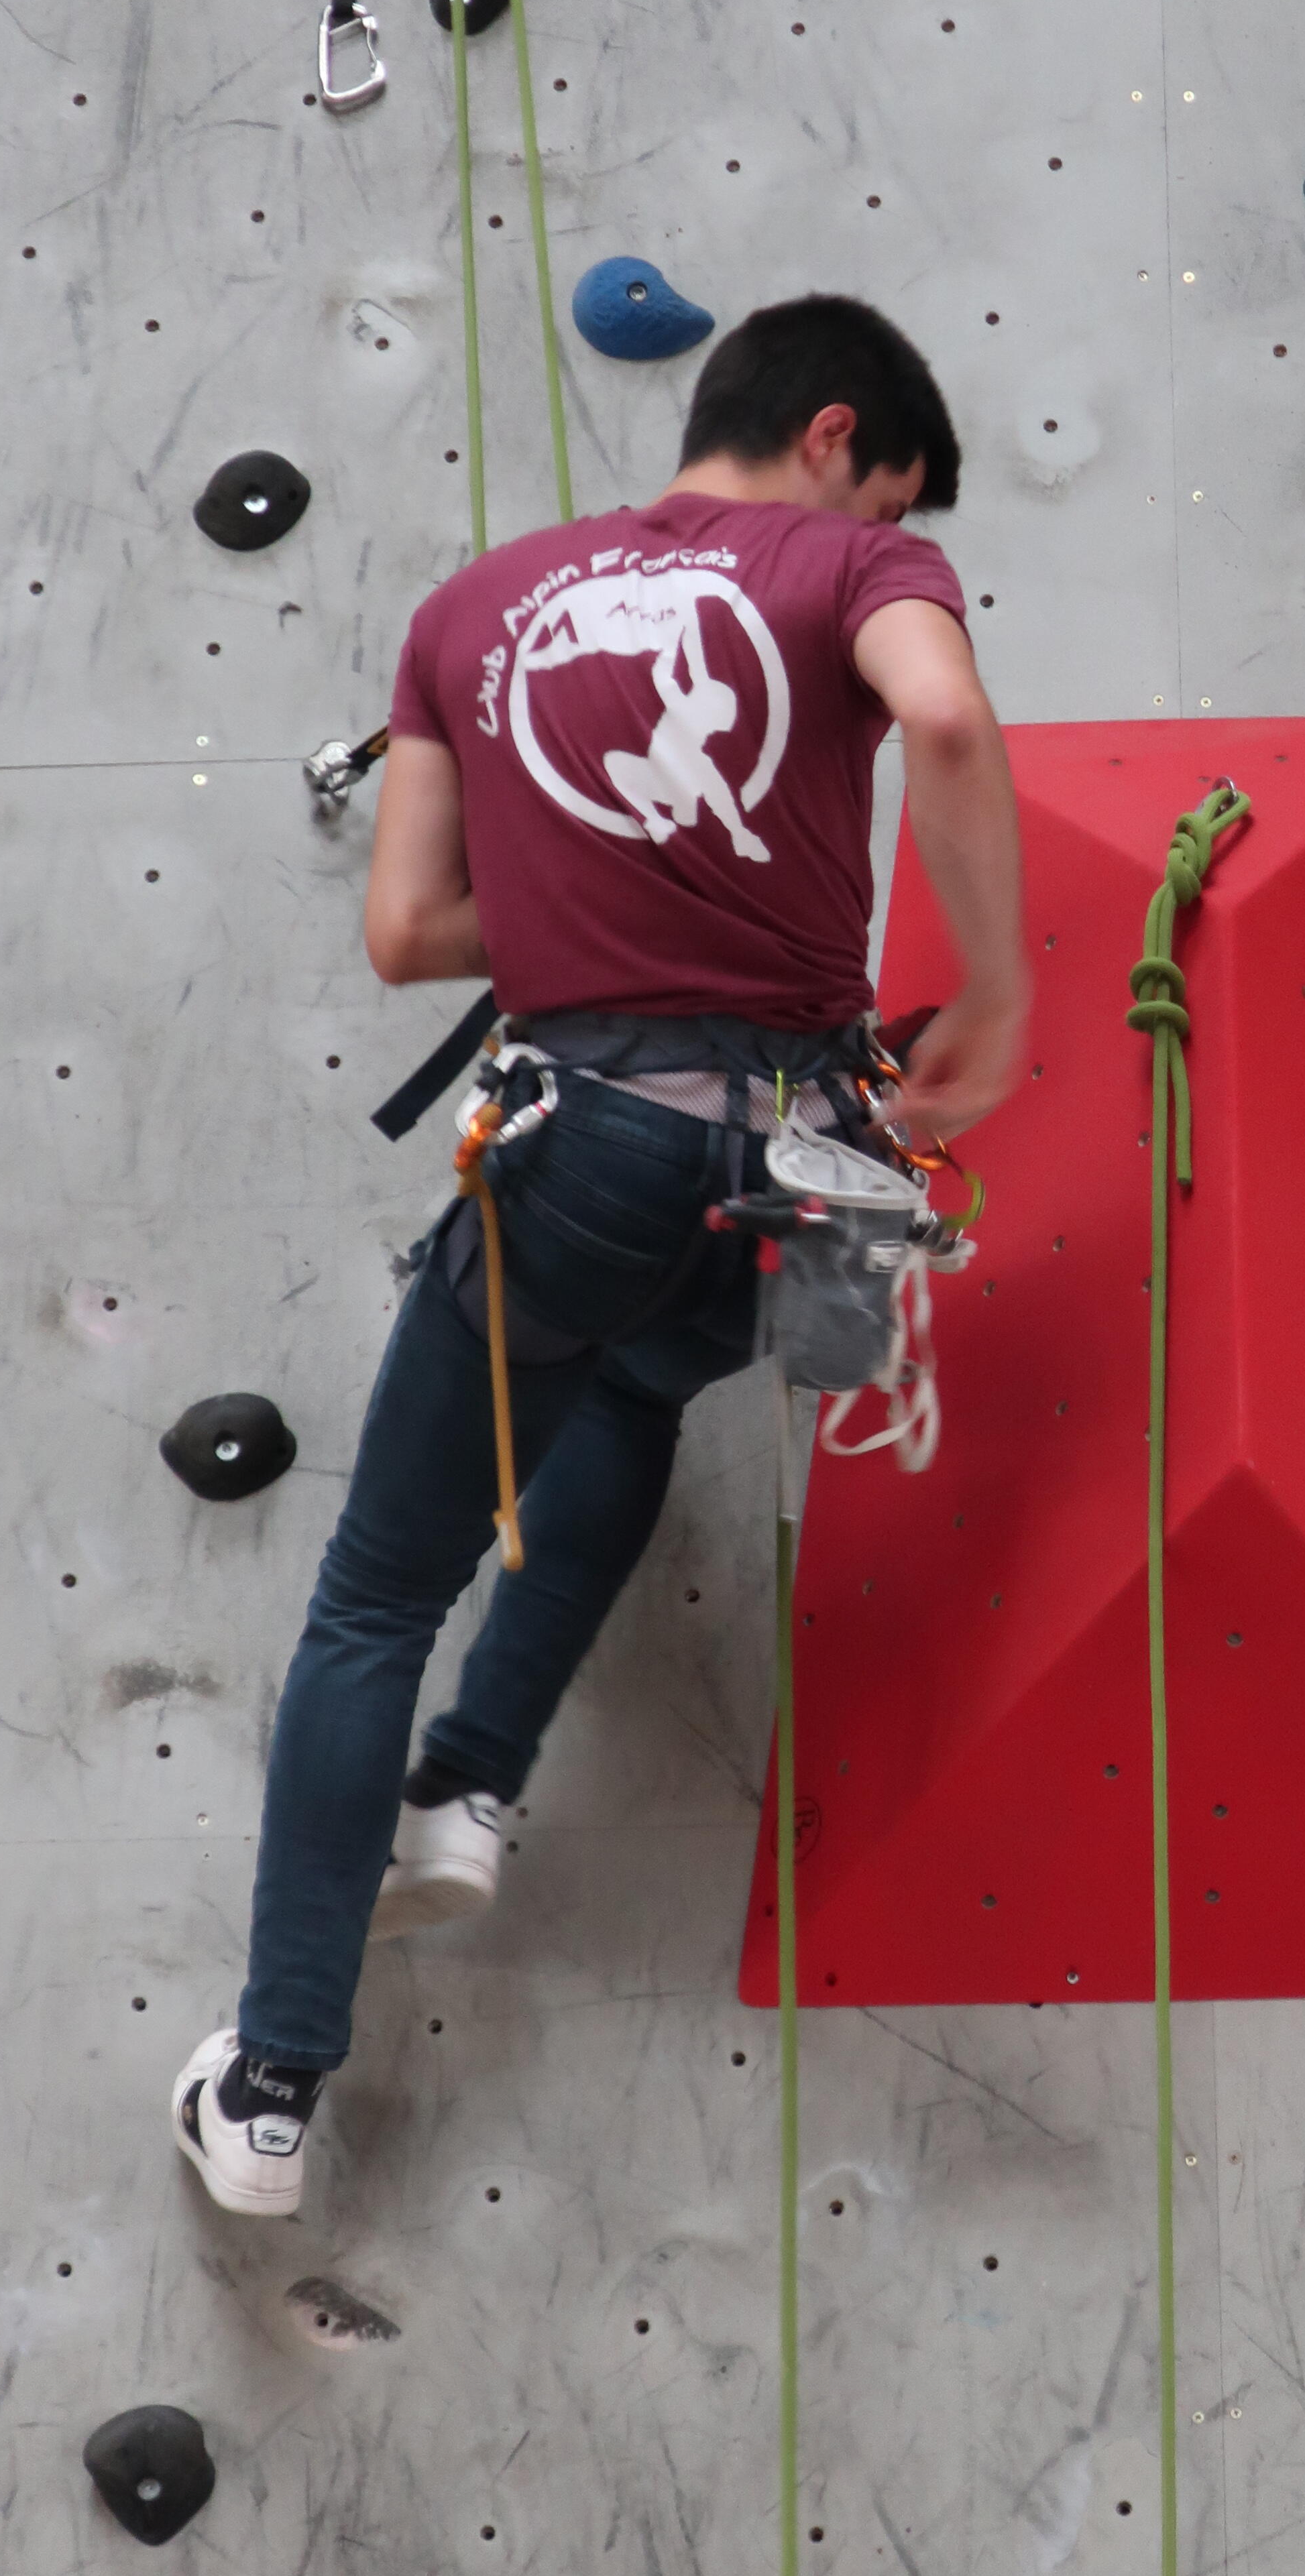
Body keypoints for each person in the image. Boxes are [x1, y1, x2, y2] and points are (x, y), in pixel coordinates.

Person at [173, 296, 1027, 2216]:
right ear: (836, 436)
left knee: (373, 1601)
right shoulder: (856, 570)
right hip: (804, 1173)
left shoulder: (473, 612)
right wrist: (1005, 992)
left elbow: (407, 931)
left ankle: (274, 2086)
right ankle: (470, 1779)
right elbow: (947, 715)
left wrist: (590, 905)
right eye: (888, 492)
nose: (884, 526)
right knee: (638, 1386)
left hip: (589, 1146)